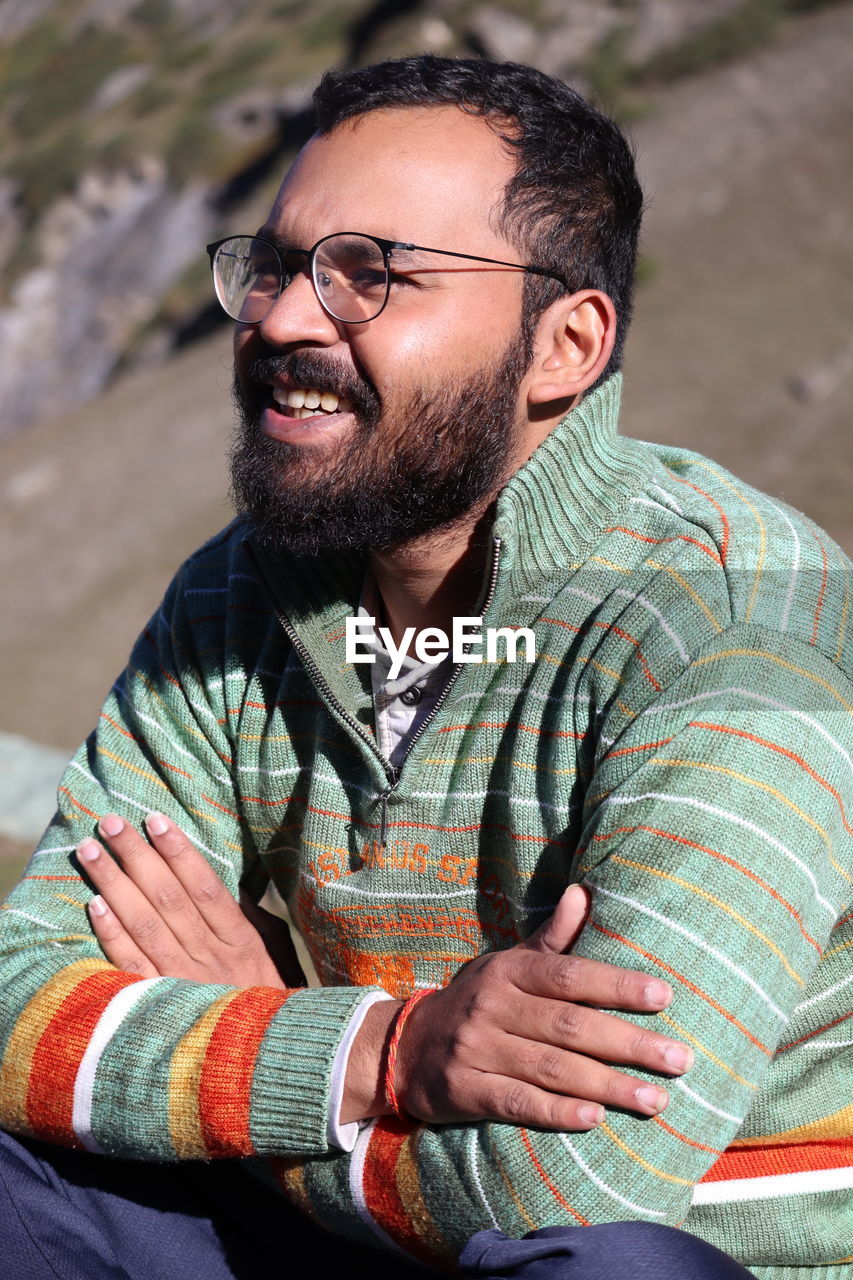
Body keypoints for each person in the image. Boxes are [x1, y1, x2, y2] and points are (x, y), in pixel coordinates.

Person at [0, 54, 849, 1280]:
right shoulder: (235, 596)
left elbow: (563, 1179)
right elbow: (23, 996)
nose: (287, 317)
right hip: (368, 1221)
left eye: (371, 275)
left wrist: (241, 1059)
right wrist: (372, 1052)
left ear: (563, 345)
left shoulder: (734, 623)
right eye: (279, 265)